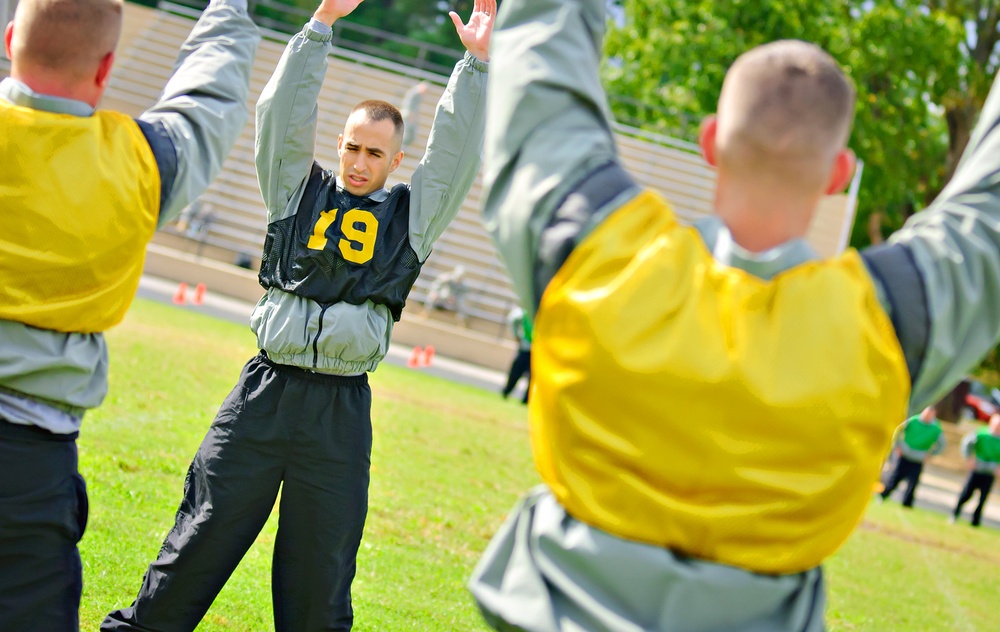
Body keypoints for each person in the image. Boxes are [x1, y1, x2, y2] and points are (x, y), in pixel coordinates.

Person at [467, 1, 1000, 630]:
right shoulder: (887, 327)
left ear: (711, 141)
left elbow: (543, 58)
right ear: (839, 174)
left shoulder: (596, 256)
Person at [102, 1, 492, 630]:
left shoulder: (413, 221)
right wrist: (319, 27)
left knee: (319, 580)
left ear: (396, 161)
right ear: (339, 147)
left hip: (337, 415)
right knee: (195, 544)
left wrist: (475, 68)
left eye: (374, 153)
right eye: (352, 147)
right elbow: (281, 116)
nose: (360, 161)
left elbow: (453, 157)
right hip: (264, 394)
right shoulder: (295, 194)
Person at [0, 1, 258, 630]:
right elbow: (209, 96)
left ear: (11, 38)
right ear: (108, 65)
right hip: (31, 471)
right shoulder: (141, 163)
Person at [879, 406, 946, 507]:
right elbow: (898, 431)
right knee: (895, 477)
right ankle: (883, 495)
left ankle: (907, 503)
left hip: (919, 458)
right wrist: (897, 446)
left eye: (930, 414)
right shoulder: (913, 420)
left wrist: (931, 454)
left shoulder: (936, 428)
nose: (927, 416)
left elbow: (942, 444)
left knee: (913, 482)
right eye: (926, 413)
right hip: (904, 454)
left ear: (934, 415)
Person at [950, 414, 1000, 527]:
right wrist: (969, 458)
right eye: (997, 424)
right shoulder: (981, 433)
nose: (998, 427)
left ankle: (975, 522)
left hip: (990, 472)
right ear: (991, 423)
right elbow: (966, 444)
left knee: (983, 499)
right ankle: (955, 514)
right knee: (966, 494)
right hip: (977, 469)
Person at [501, 306, 532, 404]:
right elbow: (512, 319)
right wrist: (516, 336)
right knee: (515, 372)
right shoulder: (527, 310)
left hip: (540, 350)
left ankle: (526, 400)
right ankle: (506, 392)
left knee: (533, 377)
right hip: (526, 347)